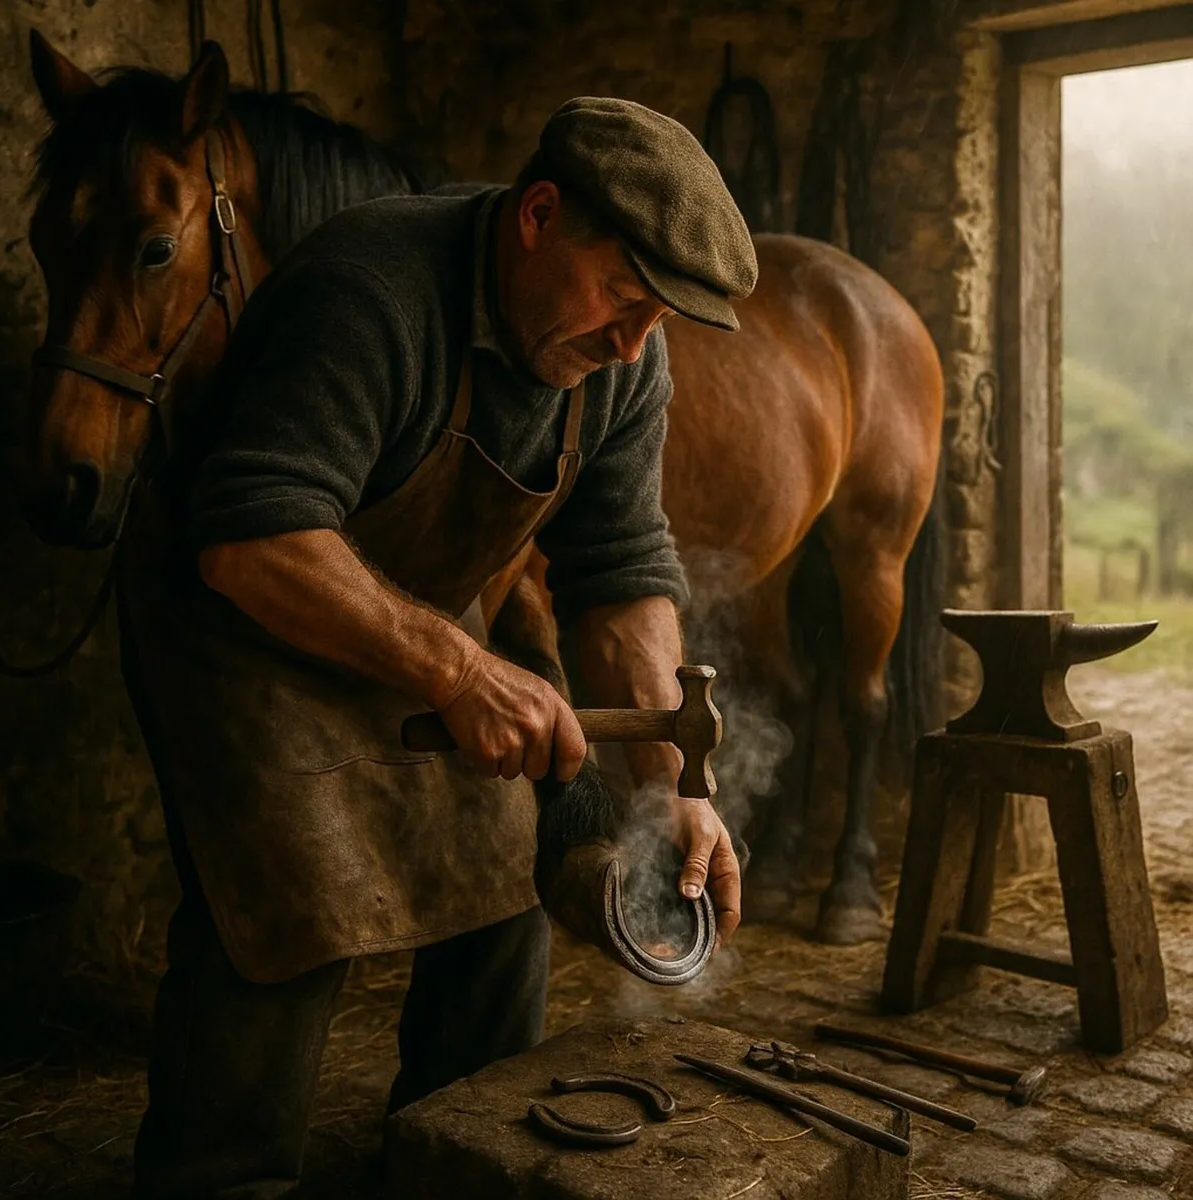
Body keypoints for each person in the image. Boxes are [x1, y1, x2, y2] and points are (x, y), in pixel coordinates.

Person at [123, 95, 758, 1198]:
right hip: (251, 631)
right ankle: (220, 1177)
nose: (630, 342)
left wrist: (673, 786)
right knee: (285, 921)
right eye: (621, 295)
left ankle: (454, 1162)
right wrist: (462, 666)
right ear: (539, 214)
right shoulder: (370, 290)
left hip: (411, 613)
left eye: (657, 319)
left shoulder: (620, 365)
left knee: (500, 890)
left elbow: (622, 573)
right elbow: (250, 537)